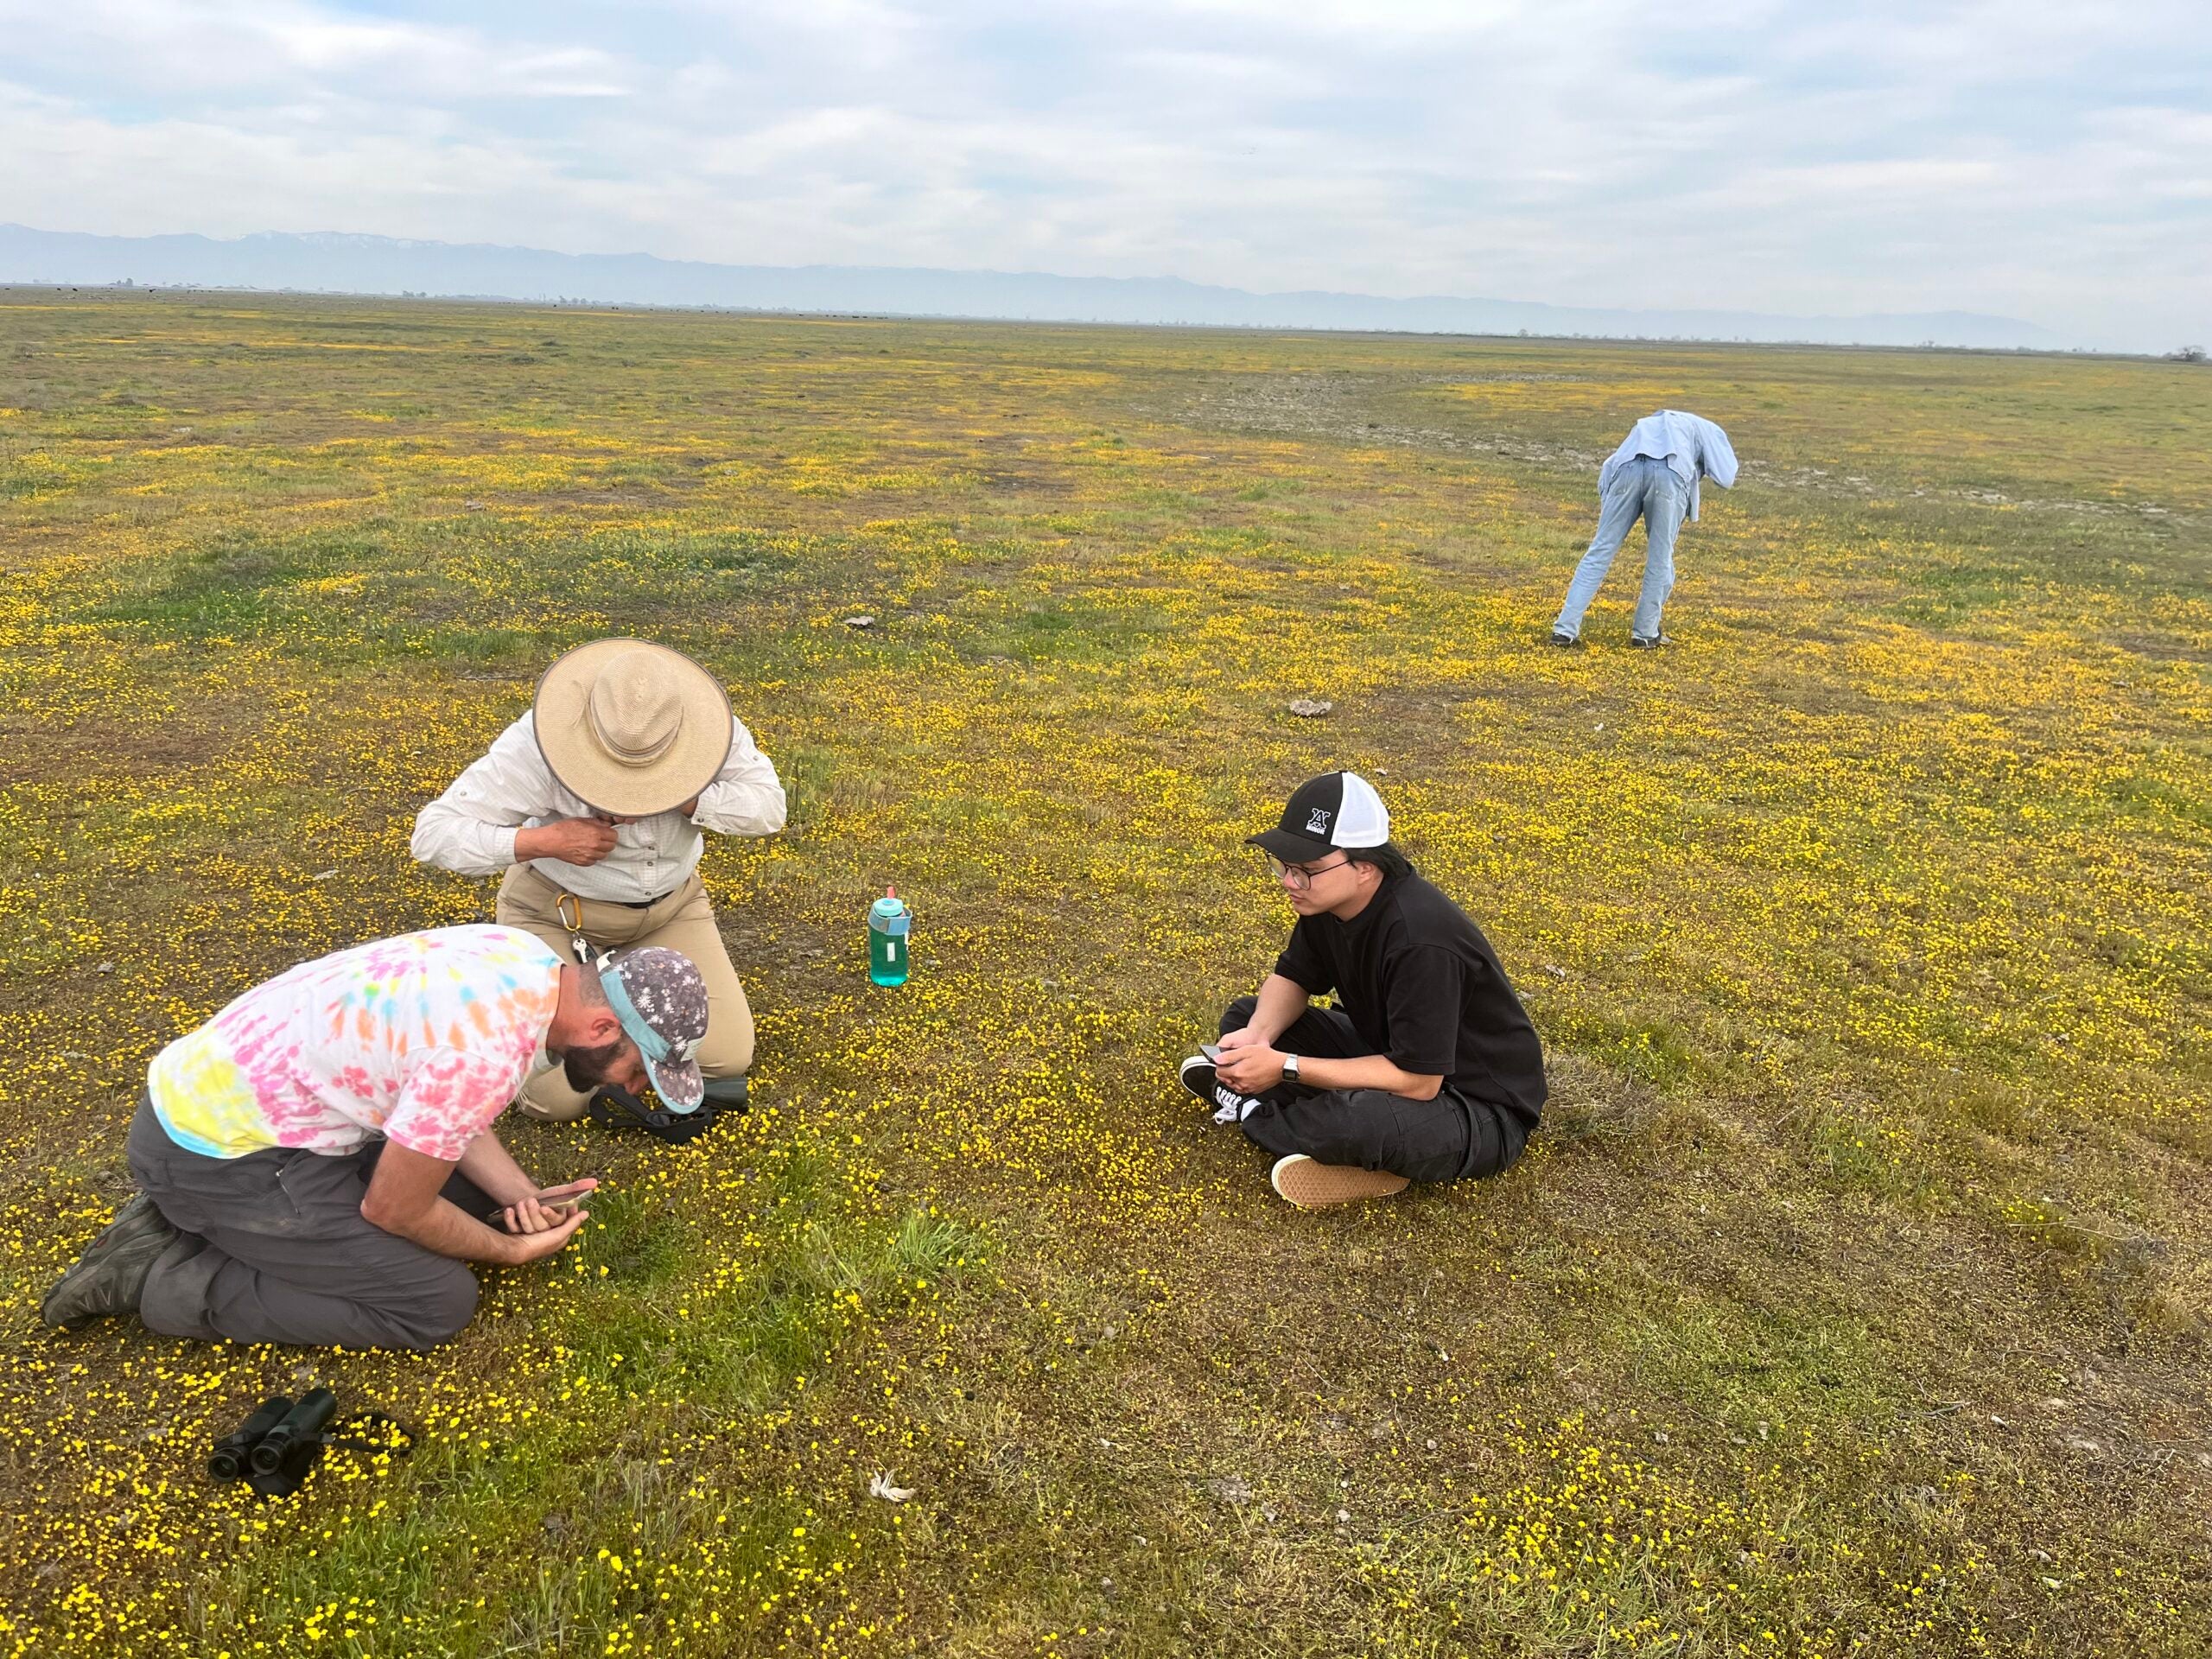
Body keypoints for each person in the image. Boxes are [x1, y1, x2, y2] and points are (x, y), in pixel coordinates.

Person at [39, 926, 710, 1348]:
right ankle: (160, 1275)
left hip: (234, 1106)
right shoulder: (485, 1054)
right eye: (638, 1069)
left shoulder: (527, 959)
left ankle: (204, 1217)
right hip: (220, 1153)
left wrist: (520, 1196)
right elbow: (396, 1208)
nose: (631, 1090)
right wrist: (510, 1253)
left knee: (478, 1207)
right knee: (435, 1300)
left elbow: (439, 1101)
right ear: (601, 1029)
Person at [412, 638, 785, 1126]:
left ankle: (619, 992)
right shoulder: (538, 741)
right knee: (558, 1100)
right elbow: (434, 835)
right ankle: (556, 999)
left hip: (669, 911)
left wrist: (685, 795)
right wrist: (546, 842)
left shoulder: (713, 730)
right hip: (557, 912)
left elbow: (769, 809)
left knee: (725, 1057)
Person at [1179, 772, 1546, 1209]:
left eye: (1307, 870)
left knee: (1358, 1121)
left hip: (1475, 1104)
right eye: (1284, 866)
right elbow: (1293, 977)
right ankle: (1290, 1114)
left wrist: (1287, 1067)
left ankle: (1257, 1112)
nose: (1289, 882)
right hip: (1383, 1049)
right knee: (1246, 1015)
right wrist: (1259, 1037)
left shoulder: (1421, 941)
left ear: (1366, 867)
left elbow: (1419, 1081)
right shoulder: (1327, 901)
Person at [1552, 409, 1738, 649]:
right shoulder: (1710, 431)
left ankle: (1563, 630)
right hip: (1670, 475)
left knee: (1600, 550)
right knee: (1660, 558)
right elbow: (1726, 477)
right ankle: (1646, 633)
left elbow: (1611, 466)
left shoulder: (1650, 424)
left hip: (1625, 469)